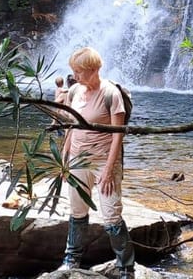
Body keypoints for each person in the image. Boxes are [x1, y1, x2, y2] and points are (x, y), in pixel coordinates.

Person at [58, 47, 134, 279]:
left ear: (93, 69)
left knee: (111, 216)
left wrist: (109, 171)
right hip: (77, 160)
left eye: (79, 71)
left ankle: (125, 268)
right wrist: (64, 157)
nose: (75, 76)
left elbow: (118, 134)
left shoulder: (111, 94)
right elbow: (73, 125)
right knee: (77, 212)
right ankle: (72, 259)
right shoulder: (74, 92)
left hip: (103, 162)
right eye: (74, 71)